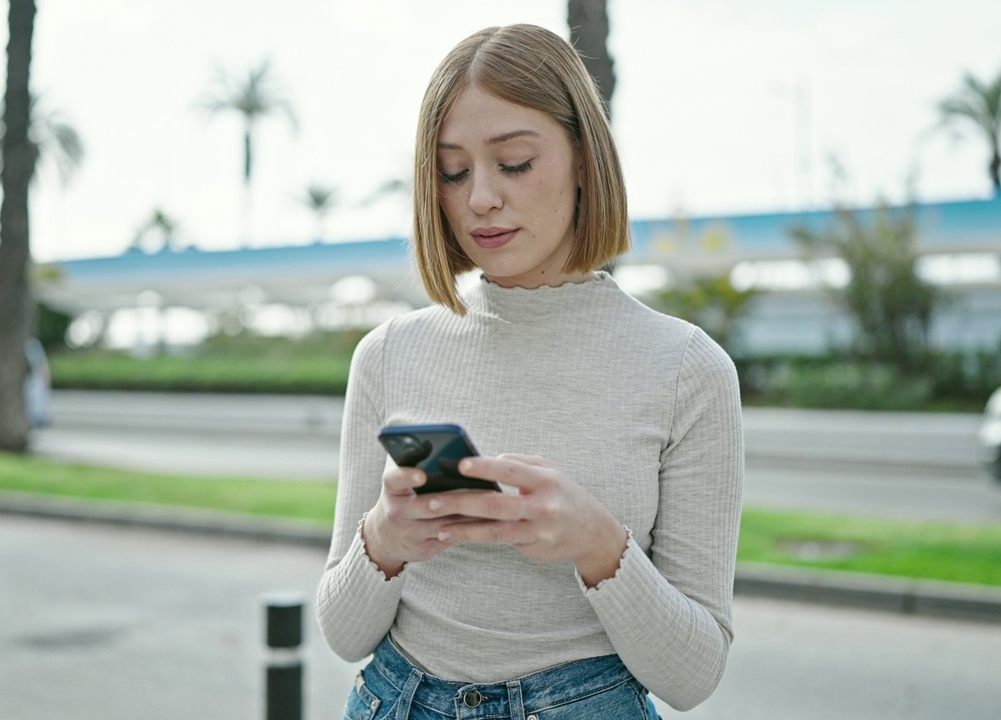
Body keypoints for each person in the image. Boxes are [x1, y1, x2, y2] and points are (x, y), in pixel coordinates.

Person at [315, 23, 744, 719]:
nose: (480, 197)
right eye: (453, 171)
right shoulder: (389, 353)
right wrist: (385, 540)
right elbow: (343, 633)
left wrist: (599, 546)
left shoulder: (687, 370)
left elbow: (693, 678)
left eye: (513, 162)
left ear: (583, 157)